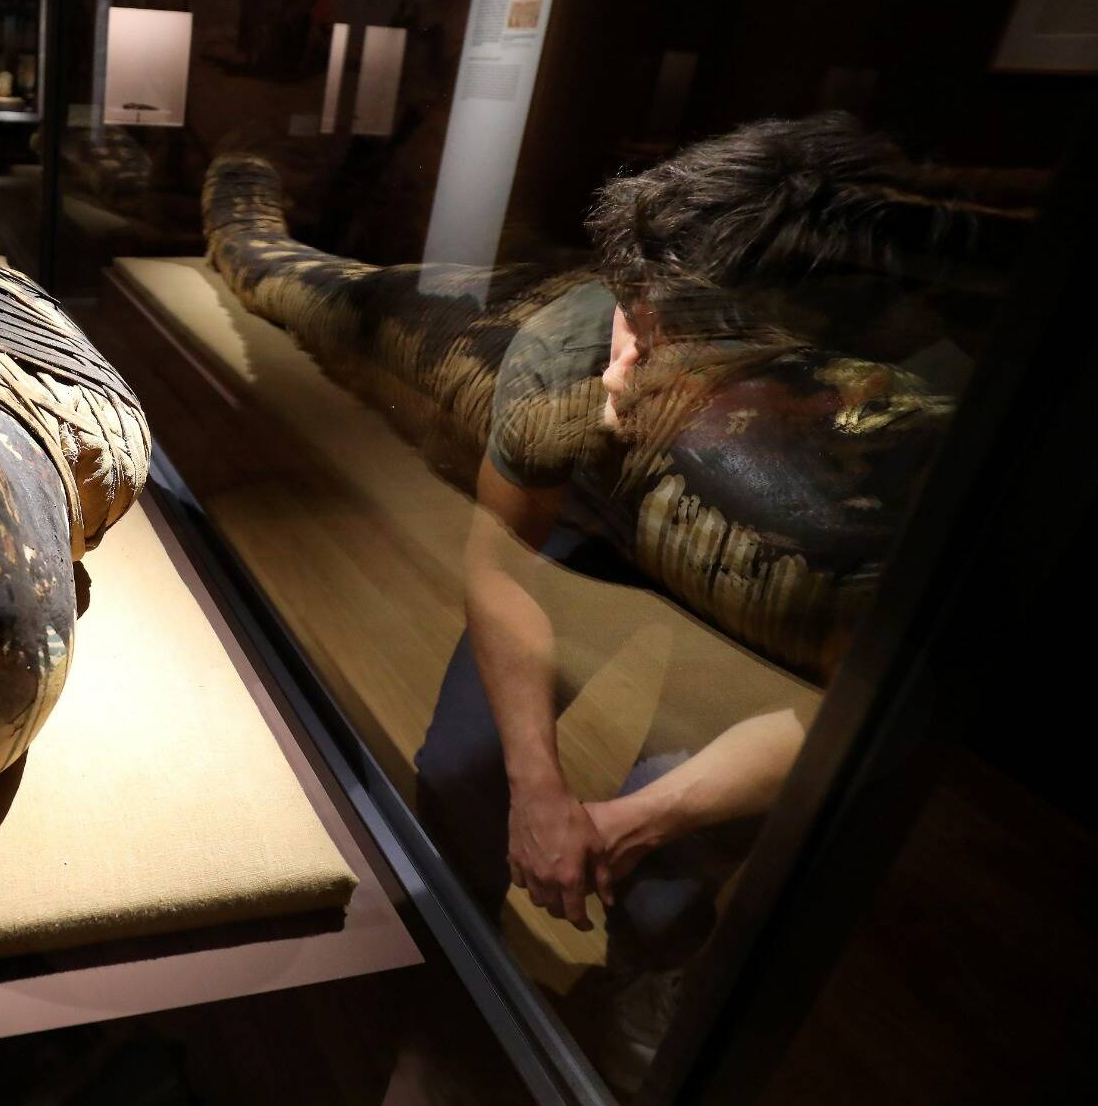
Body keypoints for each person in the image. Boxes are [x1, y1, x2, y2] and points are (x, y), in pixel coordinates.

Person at [414, 111, 988, 1094]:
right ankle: (446, 966)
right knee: (461, 771)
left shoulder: (915, 443)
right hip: (599, 527)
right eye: (628, 314)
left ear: (820, 381)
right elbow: (501, 564)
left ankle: (645, 988)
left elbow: (857, 705)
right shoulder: (573, 344)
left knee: (664, 881)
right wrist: (539, 788)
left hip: (773, 571)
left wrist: (633, 820)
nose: (618, 367)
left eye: (663, 343)